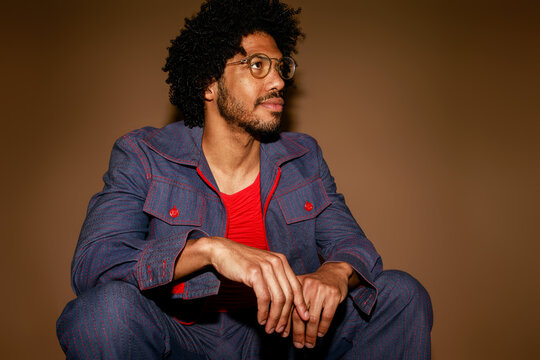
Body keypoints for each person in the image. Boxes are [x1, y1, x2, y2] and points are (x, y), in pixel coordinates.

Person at [56, 0, 433, 359]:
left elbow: (354, 245)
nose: (278, 82)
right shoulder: (144, 154)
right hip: (183, 338)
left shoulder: (303, 157)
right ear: (209, 84)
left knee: (400, 293)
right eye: (257, 65)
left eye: (281, 67)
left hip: (283, 338)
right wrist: (210, 251)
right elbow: (95, 263)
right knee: (103, 312)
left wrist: (334, 271)